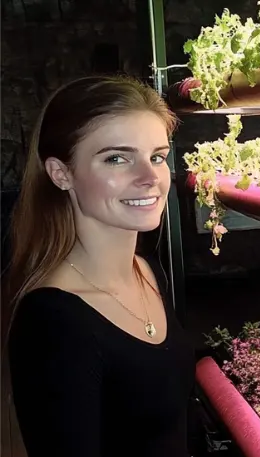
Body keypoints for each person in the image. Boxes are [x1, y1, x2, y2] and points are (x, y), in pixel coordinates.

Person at [2, 75, 196, 457]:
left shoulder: (147, 270)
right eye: (117, 158)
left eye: (157, 156)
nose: (150, 178)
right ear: (62, 174)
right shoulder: (54, 322)